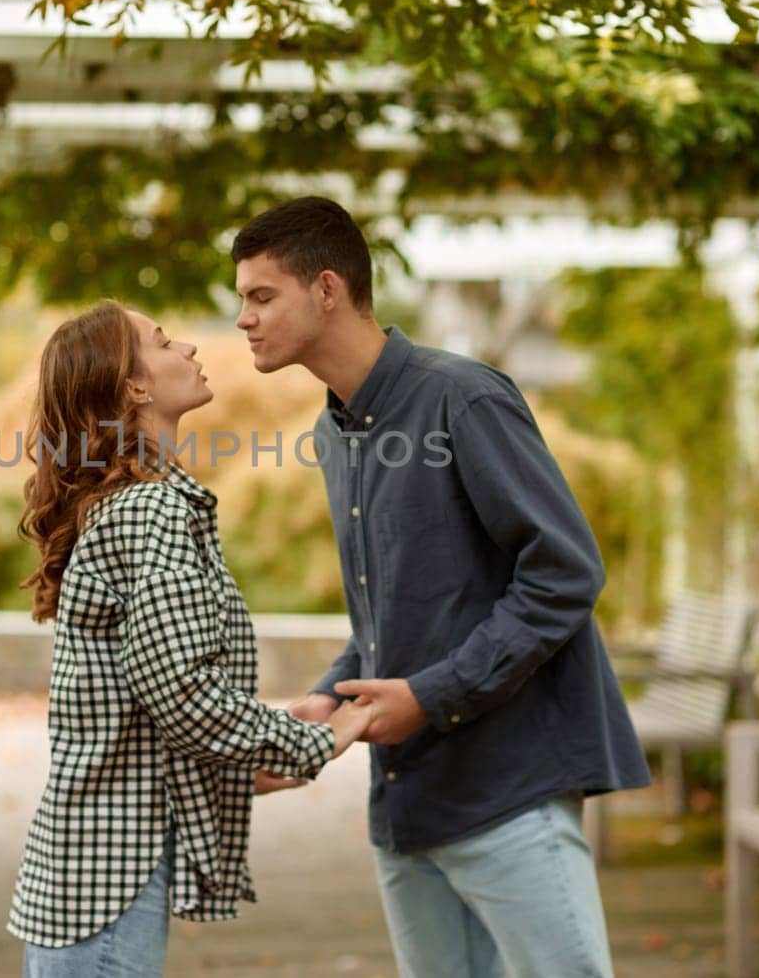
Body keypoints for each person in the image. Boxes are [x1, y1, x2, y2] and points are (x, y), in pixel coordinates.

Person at [231, 197, 651, 978]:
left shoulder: (464, 398)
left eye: (261, 296)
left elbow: (565, 573)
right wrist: (330, 697)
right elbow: (394, 606)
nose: (243, 320)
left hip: (508, 790)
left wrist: (433, 694)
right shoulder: (334, 432)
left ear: (327, 290)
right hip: (406, 805)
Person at [7, 299, 372, 977]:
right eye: (166, 342)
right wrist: (320, 740)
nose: (192, 349)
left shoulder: (139, 505)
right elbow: (182, 694)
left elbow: (154, 719)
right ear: (135, 386)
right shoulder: (149, 511)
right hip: (106, 892)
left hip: (94, 882)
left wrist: (264, 749)